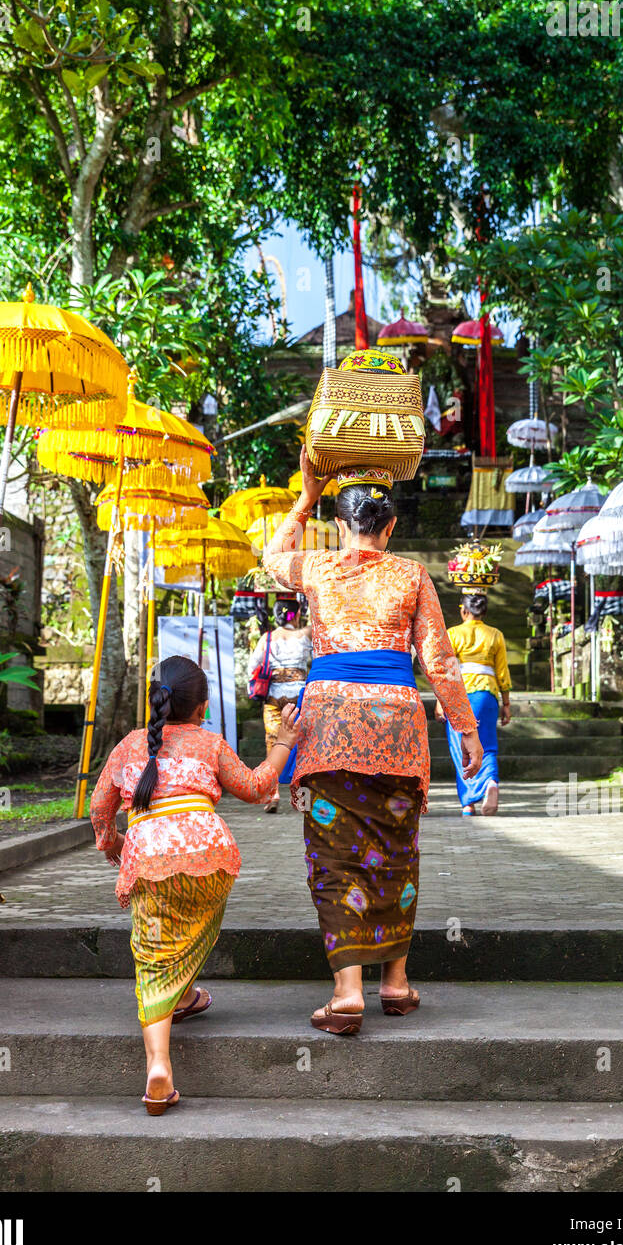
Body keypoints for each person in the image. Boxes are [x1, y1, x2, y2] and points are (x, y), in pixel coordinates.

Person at [263, 447, 483, 1035]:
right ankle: (396, 983)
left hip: (328, 729)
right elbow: (439, 659)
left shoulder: (317, 567)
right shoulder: (411, 574)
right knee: (396, 851)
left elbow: (271, 556)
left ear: (340, 526)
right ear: (390, 526)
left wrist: (307, 496)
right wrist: (465, 729)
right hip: (398, 730)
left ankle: (347, 992)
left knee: (336, 858)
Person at [90, 654, 300, 1114]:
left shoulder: (128, 747)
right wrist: (284, 743)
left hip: (150, 858)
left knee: (153, 955)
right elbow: (257, 787)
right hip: (210, 859)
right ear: (203, 707)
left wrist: (112, 845)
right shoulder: (210, 743)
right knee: (193, 926)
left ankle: (159, 1067)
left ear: (154, 702)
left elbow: (99, 809)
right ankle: (183, 995)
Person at [435, 591, 511, 816]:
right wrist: (506, 703)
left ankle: (468, 802)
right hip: (486, 695)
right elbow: (502, 672)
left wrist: (441, 701)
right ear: (483, 611)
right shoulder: (495, 635)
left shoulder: (453, 634)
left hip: (459, 696)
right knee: (486, 744)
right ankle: (490, 782)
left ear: (464, 611)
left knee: (460, 746)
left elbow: (447, 670)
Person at [247, 596, 312, 813]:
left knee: (273, 745)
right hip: (299, 695)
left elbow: (252, 667)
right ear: (296, 614)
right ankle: (302, 797)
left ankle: (272, 795)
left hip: (274, 696)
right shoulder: (306, 634)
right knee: (303, 745)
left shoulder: (267, 638)